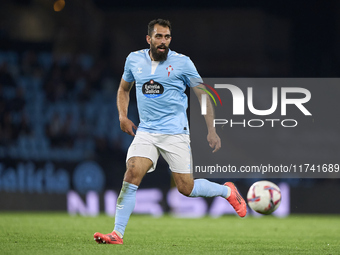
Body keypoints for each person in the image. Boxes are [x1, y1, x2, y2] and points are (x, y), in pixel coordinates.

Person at [94, 19, 246, 245]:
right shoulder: (134, 59)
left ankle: (227, 191)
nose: (163, 41)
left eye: (167, 37)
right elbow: (123, 89)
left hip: (175, 132)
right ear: (149, 39)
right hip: (146, 130)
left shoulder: (183, 63)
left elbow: (203, 95)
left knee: (186, 187)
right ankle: (117, 234)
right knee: (132, 172)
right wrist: (123, 116)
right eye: (158, 37)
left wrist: (211, 129)